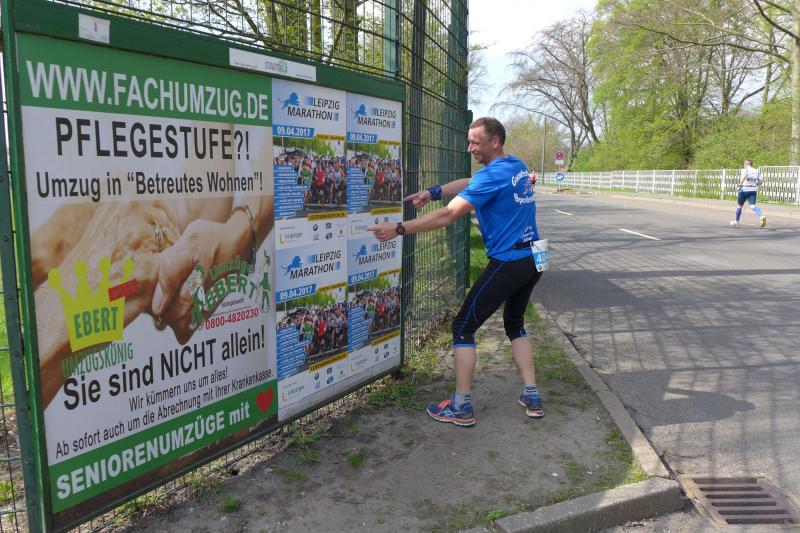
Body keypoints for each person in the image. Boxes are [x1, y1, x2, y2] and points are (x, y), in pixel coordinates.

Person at [369, 117, 544, 427]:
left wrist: (398, 228)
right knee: (515, 323)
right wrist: (433, 191)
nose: (470, 147)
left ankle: (461, 406)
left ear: (495, 141)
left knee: (463, 326)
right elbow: (471, 182)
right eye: (469, 141)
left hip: (510, 260)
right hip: (536, 256)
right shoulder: (514, 165)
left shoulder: (494, 174)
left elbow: (448, 216)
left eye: (476, 142)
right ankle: (532, 395)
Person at [731, 159, 766, 227]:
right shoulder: (757, 171)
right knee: (752, 205)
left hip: (744, 189)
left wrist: (739, 185)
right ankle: (761, 216)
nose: (743, 165)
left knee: (739, 206)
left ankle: (737, 221)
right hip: (753, 189)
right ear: (751, 164)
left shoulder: (745, 170)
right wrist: (756, 184)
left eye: (744, 164)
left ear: (746, 164)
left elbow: (744, 177)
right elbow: (761, 181)